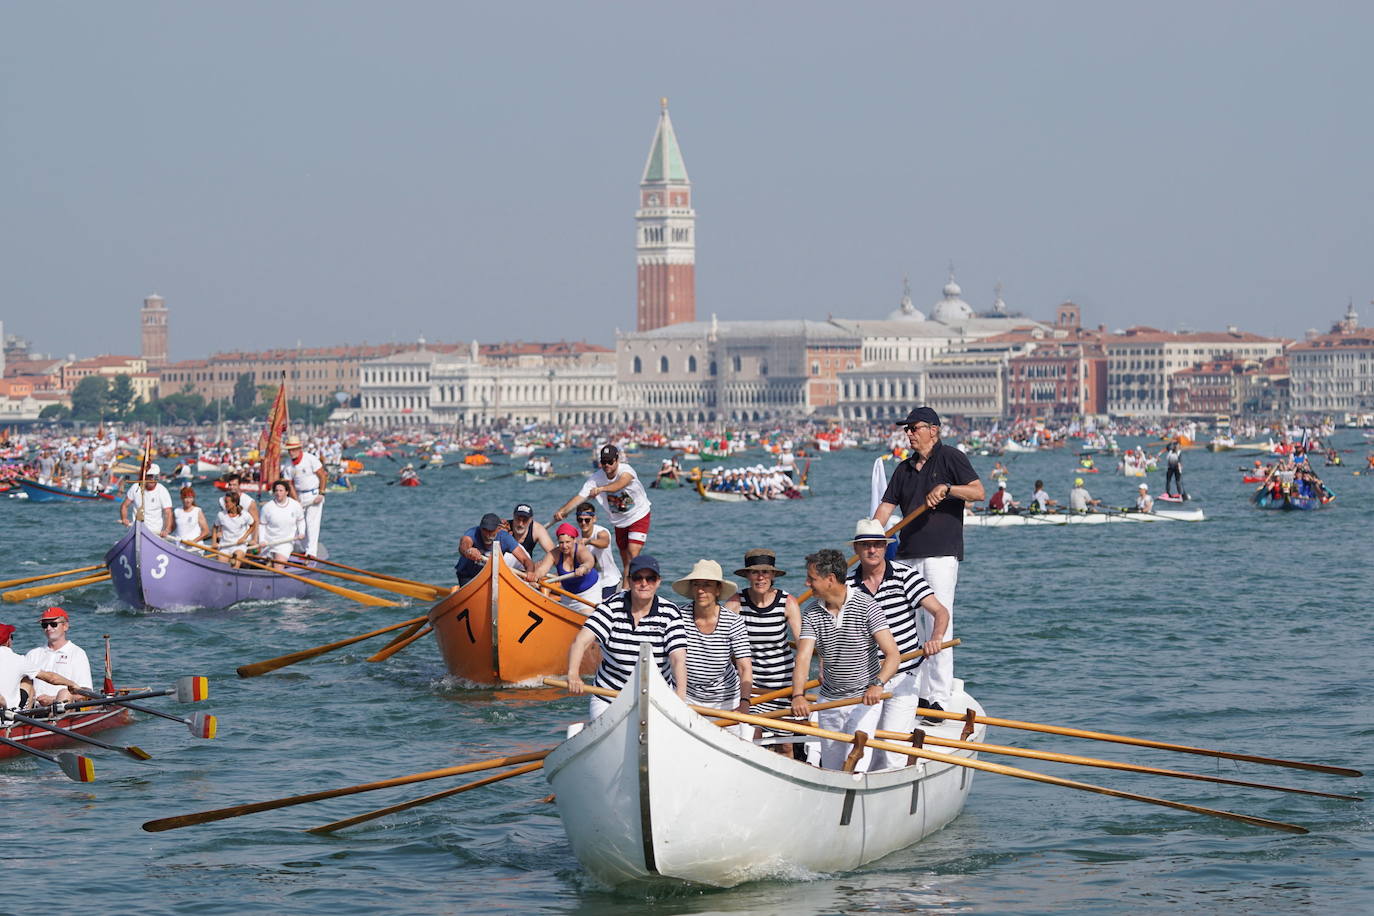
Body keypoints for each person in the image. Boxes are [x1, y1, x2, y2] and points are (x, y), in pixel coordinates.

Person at [873, 406, 983, 720]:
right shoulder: (904, 469)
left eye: (914, 428)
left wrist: (947, 489)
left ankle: (938, 697)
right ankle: (918, 691)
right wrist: (870, 534)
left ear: (932, 429)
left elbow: (977, 492)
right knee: (911, 625)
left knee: (939, 620)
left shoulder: (951, 457)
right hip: (907, 554)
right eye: (906, 429)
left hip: (940, 552)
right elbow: (885, 508)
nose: (908, 433)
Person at [847, 519, 950, 762]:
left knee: (891, 751)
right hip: (864, 680)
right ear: (856, 550)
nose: (872, 550)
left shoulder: (906, 576)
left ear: (885, 547)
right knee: (859, 748)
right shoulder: (848, 585)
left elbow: (940, 612)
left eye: (877, 545)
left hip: (903, 677)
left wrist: (935, 638)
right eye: (866, 545)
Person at [790, 548, 901, 772]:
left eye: (811, 579)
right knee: (832, 770)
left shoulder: (867, 606)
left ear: (830, 579)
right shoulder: (811, 613)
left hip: (864, 701)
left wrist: (877, 685)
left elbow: (893, 655)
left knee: (855, 765)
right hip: (830, 702)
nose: (806, 584)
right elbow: (802, 658)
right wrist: (798, 695)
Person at [565, 555, 687, 719]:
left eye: (650, 578)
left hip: (658, 697)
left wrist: (679, 696)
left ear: (658, 582)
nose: (644, 583)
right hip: (609, 695)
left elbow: (678, 659)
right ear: (629, 581)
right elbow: (581, 641)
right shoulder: (610, 607)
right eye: (638, 578)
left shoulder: (670, 613)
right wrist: (573, 674)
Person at [724, 548, 800, 748]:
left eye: (765, 572)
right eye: (755, 572)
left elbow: (804, 647)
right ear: (747, 575)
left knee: (786, 745)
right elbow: (719, 642)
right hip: (751, 686)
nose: (760, 577)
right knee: (753, 741)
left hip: (782, 685)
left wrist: (798, 691)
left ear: (773, 575)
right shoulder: (735, 602)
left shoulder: (788, 602)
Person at [671, 559, 753, 734]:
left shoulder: (733, 621)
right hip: (686, 697)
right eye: (696, 585)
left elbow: (744, 667)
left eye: (707, 585)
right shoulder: (678, 617)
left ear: (718, 590)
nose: (701, 590)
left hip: (726, 700)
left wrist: (744, 702)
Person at [552, 444, 651, 571]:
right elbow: (580, 497)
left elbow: (620, 484)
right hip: (620, 521)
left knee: (632, 552)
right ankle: (627, 588)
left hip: (639, 514)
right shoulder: (596, 478)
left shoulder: (626, 470)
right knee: (625, 559)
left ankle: (636, 582)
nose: (607, 465)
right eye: (604, 462)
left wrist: (601, 489)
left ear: (617, 460)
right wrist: (563, 510)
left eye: (610, 462)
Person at [23, 607, 92, 706]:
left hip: (64, 708)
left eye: (53, 624)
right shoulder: (32, 654)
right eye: (45, 625)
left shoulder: (77, 653)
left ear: (65, 626)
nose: (48, 628)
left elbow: (84, 692)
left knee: (65, 693)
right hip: (33, 710)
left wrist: (53, 700)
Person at [454, 512, 535, 586]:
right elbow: (464, 544)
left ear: (499, 528)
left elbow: (525, 560)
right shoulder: (473, 532)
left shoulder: (505, 538)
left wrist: (530, 572)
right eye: (485, 530)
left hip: (492, 577)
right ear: (480, 527)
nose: (487, 534)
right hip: (468, 576)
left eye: (491, 530)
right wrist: (468, 551)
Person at [534, 522, 601, 609]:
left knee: (587, 621)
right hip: (567, 595)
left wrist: (584, 567)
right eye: (561, 542)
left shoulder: (580, 550)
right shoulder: (555, 553)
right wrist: (535, 576)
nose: (564, 546)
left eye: (567, 542)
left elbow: (589, 561)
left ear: (574, 540)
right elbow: (543, 569)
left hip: (588, 594)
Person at [281, 435, 328, 557]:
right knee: (298, 523)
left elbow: (322, 475)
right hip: (299, 495)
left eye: (293, 449)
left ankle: (311, 552)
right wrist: (296, 500)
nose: (291, 452)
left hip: (313, 494)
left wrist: (321, 493)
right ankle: (302, 548)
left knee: (311, 523)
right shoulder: (288, 464)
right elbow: (289, 484)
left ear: (299, 449)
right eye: (289, 450)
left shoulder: (310, 459)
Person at [574, 501, 621, 599]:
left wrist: (589, 541)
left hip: (609, 582)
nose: (583, 523)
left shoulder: (601, 532)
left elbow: (604, 543)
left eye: (587, 520)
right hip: (590, 583)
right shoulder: (575, 535)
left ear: (594, 519)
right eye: (580, 520)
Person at [258, 479, 306, 566]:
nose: (278, 493)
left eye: (281, 491)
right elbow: (262, 525)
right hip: (269, 543)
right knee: (262, 565)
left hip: (285, 543)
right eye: (276, 491)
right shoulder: (267, 507)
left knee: (278, 566)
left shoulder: (295, 505)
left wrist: (301, 532)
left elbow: (301, 521)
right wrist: (261, 540)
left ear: (287, 492)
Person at [119, 462, 174, 537]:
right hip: (137, 530)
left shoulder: (162, 491)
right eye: (149, 476)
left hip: (155, 532)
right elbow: (124, 506)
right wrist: (124, 518)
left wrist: (167, 530)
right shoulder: (135, 487)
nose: (151, 479)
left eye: (154, 476)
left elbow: (168, 513)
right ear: (145, 476)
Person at [212, 492, 257, 567]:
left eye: (227, 502)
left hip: (239, 546)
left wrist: (244, 537)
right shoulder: (221, 515)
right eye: (224, 502)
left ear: (234, 503)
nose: (225, 504)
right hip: (224, 546)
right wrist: (214, 542)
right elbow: (214, 527)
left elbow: (253, 525)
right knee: (221, 567)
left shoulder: (244, 515)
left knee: (235, 562)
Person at [0, 623, 27, 709]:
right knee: (27, 682)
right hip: (7, 717)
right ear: (8, 641)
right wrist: (69, 683)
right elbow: (50, 677)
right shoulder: (19, 659)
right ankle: (26, 714)